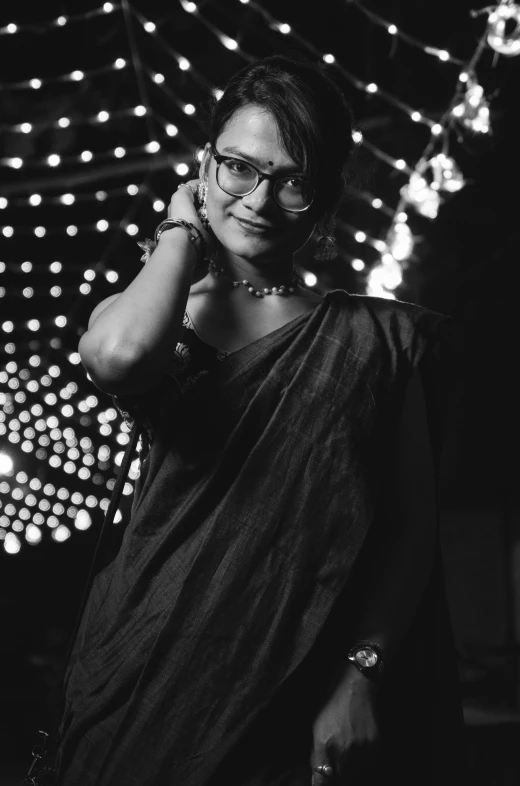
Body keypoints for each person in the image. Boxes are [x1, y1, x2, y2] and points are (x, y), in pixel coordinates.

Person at [55, 54, 465, 785]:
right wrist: (181, 232)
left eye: (293, 180)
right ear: (204, 167)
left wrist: (360, 673)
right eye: (238, 168)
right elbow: (118, 357)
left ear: (327, 194)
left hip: (299, 680)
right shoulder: (152, 316)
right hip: (142, 669)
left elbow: (410, 528)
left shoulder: (381, 340)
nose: (257, 200)